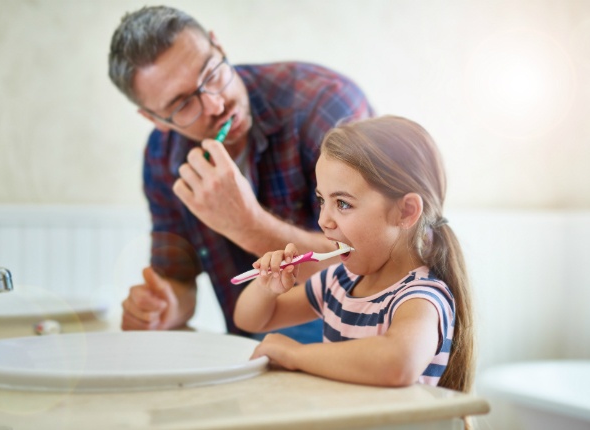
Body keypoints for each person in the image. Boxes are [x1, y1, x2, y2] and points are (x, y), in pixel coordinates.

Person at [107, 5, 374, 342]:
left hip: (359, 348)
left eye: (211, 74)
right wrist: (165, 307)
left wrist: (246, 225)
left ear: (219, 46)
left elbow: (368, 261)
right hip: (251, 355)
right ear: (155, 119)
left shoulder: (324, 104)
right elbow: (179, 280)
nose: (216, 105)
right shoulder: (162, 156)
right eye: (182, 104)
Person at [234, 116, 475, 393]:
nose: (324, 220)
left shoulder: (420, 296)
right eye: (322, 200)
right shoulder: (338, 282)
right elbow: (252, 320)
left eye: (343, 203)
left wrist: (296, 355)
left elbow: (398, 361)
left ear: (406, 211)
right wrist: (267, 288)